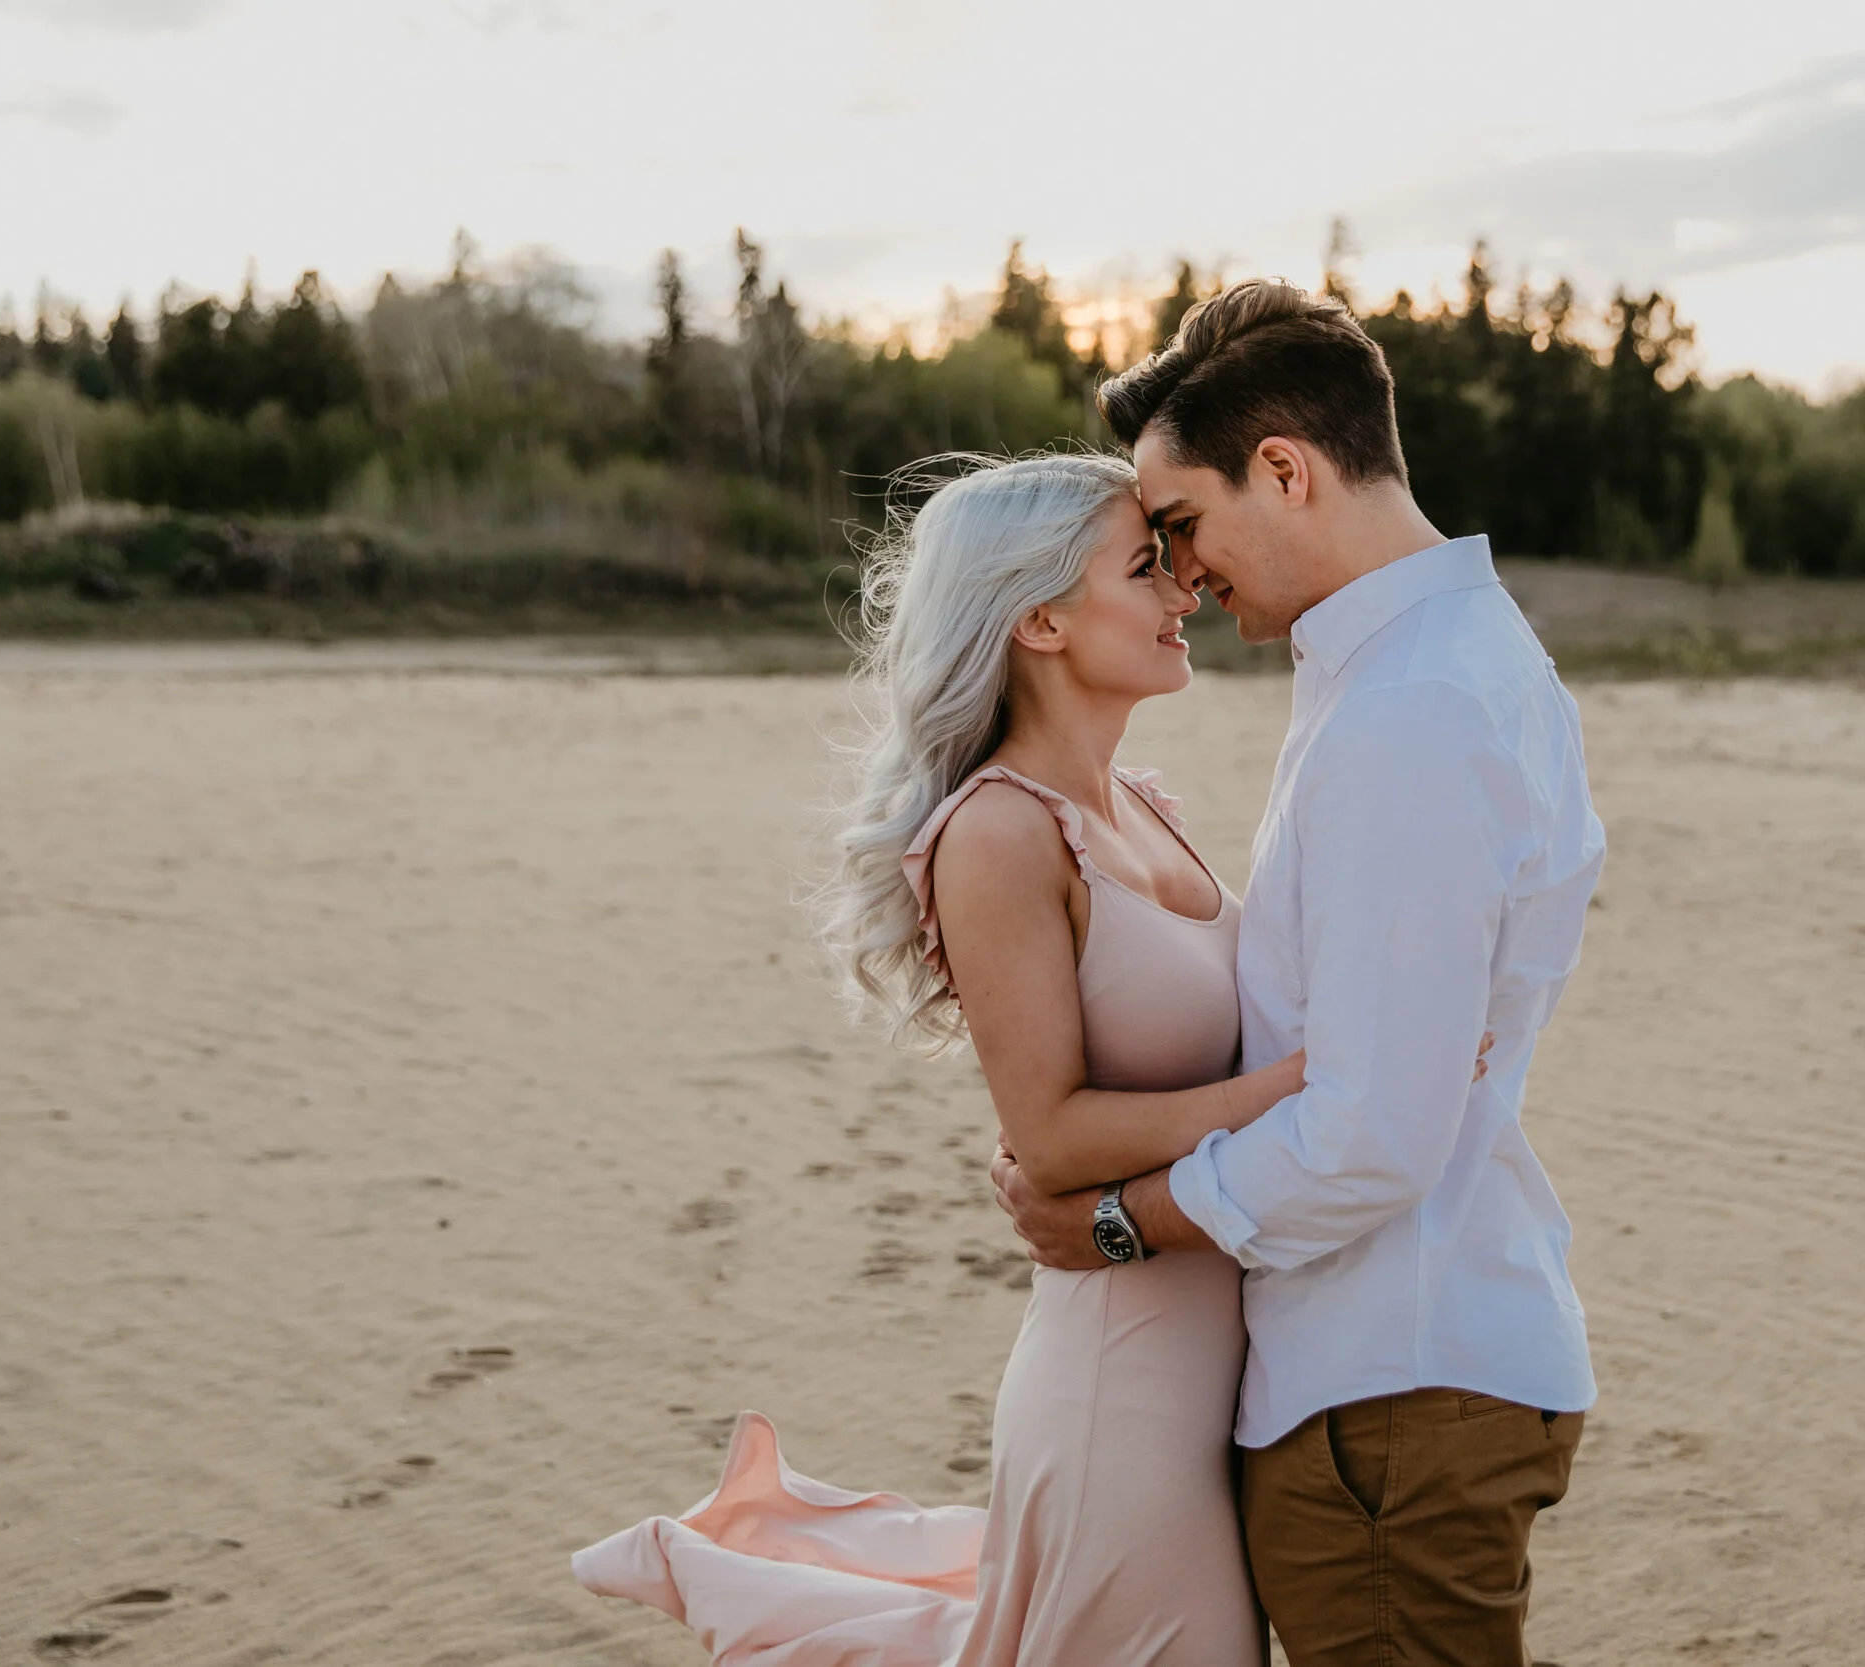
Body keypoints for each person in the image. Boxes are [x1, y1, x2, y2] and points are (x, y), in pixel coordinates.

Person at [570, 448, 1490, 1664]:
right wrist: (1310, 1084)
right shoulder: (999, 832)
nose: (1182, 591)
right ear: (1041, 617)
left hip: (1238, 1384)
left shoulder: (1144, 803)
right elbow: (1049, 1135)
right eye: (1143, 565)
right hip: (1126, 1399)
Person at [990, 279, 1607, 1666]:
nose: (1184, 575)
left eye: (1184, 527)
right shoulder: (1416, 669)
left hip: (1390, 1382)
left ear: (1286, 469)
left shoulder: (1413, 710)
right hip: (1393, 1372)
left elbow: (1373, 1134)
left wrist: (1116, 1219)